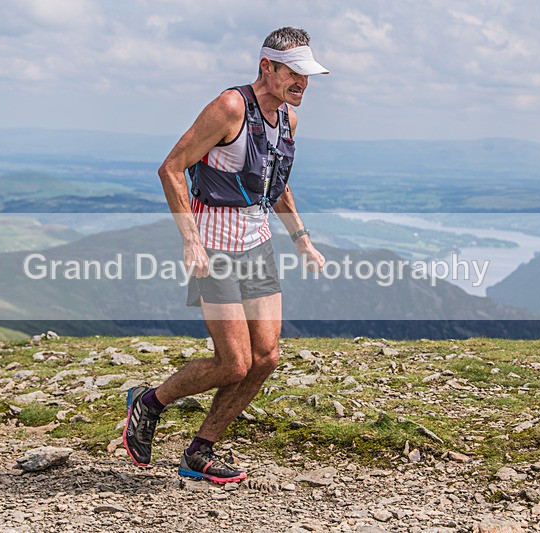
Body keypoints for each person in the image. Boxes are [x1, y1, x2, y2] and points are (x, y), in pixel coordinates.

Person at [123, 27, 328, 484]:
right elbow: (171, 168)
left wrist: (301, 239)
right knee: (233, 362)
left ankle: (200, 451)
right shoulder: (230, 106)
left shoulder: (288, 121)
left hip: (257, 248)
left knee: (266, 357)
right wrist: (190, 239)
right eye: (293, 72)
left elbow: (274, 187)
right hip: (214, 248)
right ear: (266, 68)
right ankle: (149, 402)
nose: (302, 83)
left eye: (308, 75)